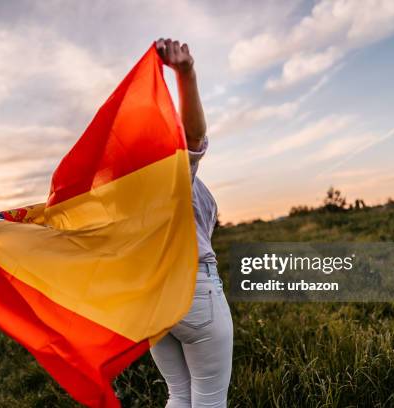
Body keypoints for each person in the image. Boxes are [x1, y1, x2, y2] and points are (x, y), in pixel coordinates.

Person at [150, 38, 234, 408]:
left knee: (179, 394)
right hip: (194, 291)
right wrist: (185, 74)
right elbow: (194, 137)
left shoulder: (121, 190)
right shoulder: (166, 174)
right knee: (208, 400)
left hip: (151, 298)